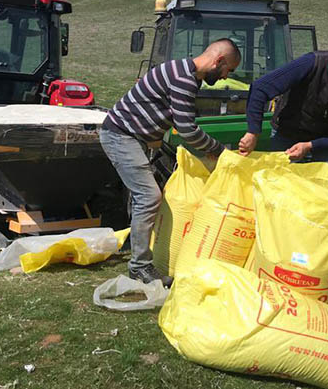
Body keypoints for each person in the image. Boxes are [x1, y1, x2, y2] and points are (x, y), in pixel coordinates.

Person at [100, 39, 241, 287]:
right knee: (149, 195)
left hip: (135, 138)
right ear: (218, 61)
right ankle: (140, 268)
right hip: (121, 136)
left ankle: (141, 251)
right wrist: (219, 150)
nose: (224, 77)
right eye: (227, 70)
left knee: (143, 195)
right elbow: (187, 129)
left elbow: (180, 119)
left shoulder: (187, 75)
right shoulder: (183, 78)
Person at [238, 50, 328, 170]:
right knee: (281, 182)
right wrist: (253, 132)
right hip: (287, 131)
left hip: (326, 140)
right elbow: (261, 88)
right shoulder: (313, 62)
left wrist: (311, 145)